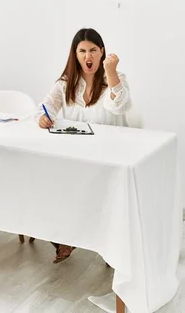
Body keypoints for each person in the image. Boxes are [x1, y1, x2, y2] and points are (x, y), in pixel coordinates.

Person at [36, 28, 132, 263]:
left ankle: (111, 247)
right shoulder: (65, 83)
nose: (87, 56)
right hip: (76, 153)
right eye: (82, 51)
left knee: (104, 197)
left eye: (93, 50)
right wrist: (42, 117)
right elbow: (44, 107)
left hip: (110, 155)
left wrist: (111, 74)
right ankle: (65, 238)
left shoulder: (117, 79)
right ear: (75, 54)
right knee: (53, 182)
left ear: (101, 53)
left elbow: (119, 107)